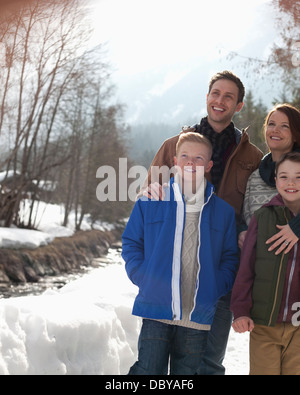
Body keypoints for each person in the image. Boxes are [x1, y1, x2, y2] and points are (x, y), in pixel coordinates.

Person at [139, 70, 263, 375]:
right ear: (207, 97)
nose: (219, 101)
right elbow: (147, 199)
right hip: (172, 273)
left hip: (220, 272)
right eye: (215, 93)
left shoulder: (252, 157)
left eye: (228, 96)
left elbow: (258, 209)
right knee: (156, 363)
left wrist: (248, 231)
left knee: (207, 363)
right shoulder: (174, 146)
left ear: (239, 106)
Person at [122, 132, 239, 375]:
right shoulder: (152, 201)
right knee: (148, 370)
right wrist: (143, 277)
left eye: (199, 158)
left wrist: (217, 285)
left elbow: (230, 257)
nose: (190, 163)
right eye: (185, 156)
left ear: (208, 166)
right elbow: (131, 242)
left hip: (198, 314)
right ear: (175, 161)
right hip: (156, 308)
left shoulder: (224, 212)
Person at [230, 151, 300, 375]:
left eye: (299, 177)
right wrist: (240, 310)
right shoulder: (263, 217)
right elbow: (246, 268)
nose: (291, 182)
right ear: (275, 180)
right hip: (265, 322)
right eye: (284, 176)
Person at [239, 103, 300, 254]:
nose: (275, 130)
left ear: (296, 134)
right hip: (261, 267)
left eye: (284, 126)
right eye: (271, 124)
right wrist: (241, 232)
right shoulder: (255, 176)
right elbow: (245, 216)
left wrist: (297, 227)